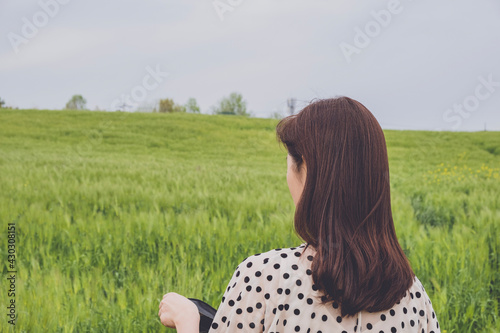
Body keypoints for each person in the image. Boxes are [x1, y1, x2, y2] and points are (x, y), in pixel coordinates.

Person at [158, 97, 441, 333]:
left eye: (290, 164)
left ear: (306, 172)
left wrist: (188, 320)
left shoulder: (264, 278)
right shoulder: (414, 296)